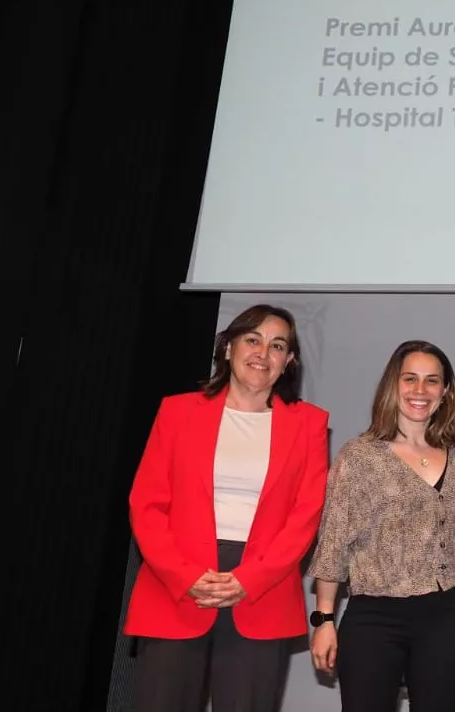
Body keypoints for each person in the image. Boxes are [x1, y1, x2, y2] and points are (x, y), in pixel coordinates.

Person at [126, 304, 329, 712]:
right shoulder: (177, 411)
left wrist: (250, 579)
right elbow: (145, 504)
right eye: (252, 340)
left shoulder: (308, 424)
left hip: (260, 592)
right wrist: (186, 576)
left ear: (288, 362)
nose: (262, 353)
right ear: (228, 347)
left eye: (277, 346)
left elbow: (304, 517)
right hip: (178, 587)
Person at [307, 340, 455, 712]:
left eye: (432, 381)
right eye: (409, 379)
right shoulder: (359, 455)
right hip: (375, 619)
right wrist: (325, 619)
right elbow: (333, 542)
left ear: (445, 391)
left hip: (446, 616)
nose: (420, 390)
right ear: (391, 386)